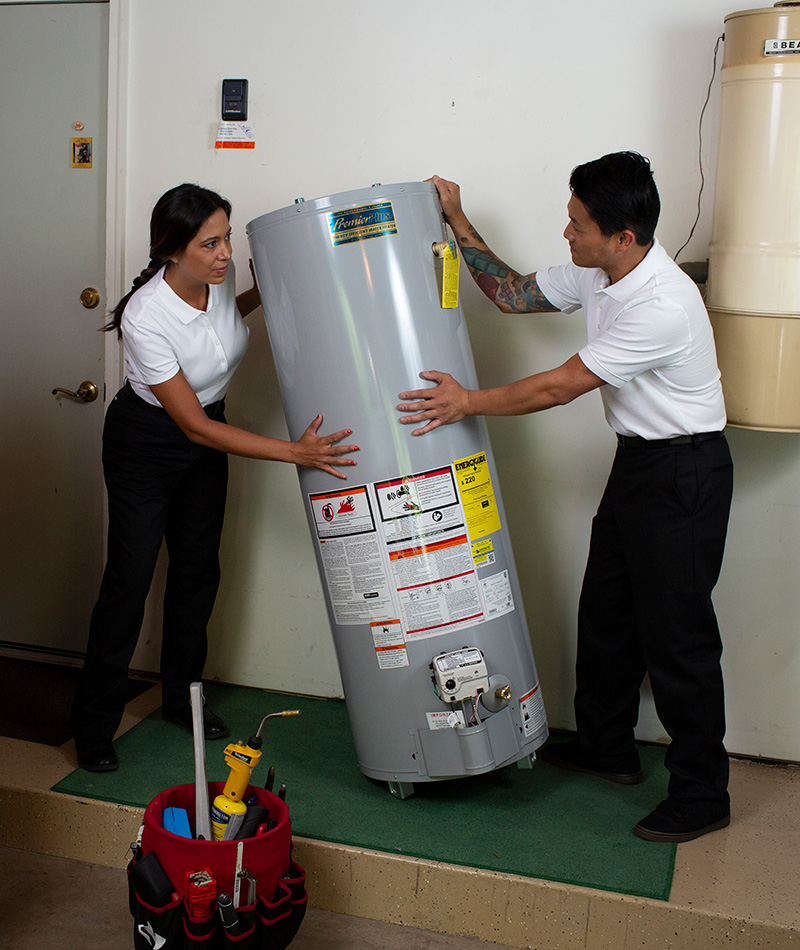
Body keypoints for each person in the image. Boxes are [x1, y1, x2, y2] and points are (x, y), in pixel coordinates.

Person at [397, 153, 733, 843]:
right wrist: (458, 218)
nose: (566, 232)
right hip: (640, 464)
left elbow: (559, 385)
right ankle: (606, 747)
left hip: (685, 473)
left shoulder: (662, 302)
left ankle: (704, 793)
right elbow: (512, 293)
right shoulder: (599, 270)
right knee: (607, 611)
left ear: (624, 238)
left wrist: (465, 403)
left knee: (678, 639)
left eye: (578, 224)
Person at [71, 183, 358, 772]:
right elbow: (192, 427)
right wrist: (294, 453)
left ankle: (182, 699)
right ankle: (93, 726)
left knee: (199, 571)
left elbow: (225, 324)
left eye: (227, 236)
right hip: (147, 445)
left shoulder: (216, 283)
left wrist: (270, 292)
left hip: (209, 433)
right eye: (211, 243)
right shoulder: (147, 315)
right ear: (173, 250)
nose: (226, 252)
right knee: (128, 584)